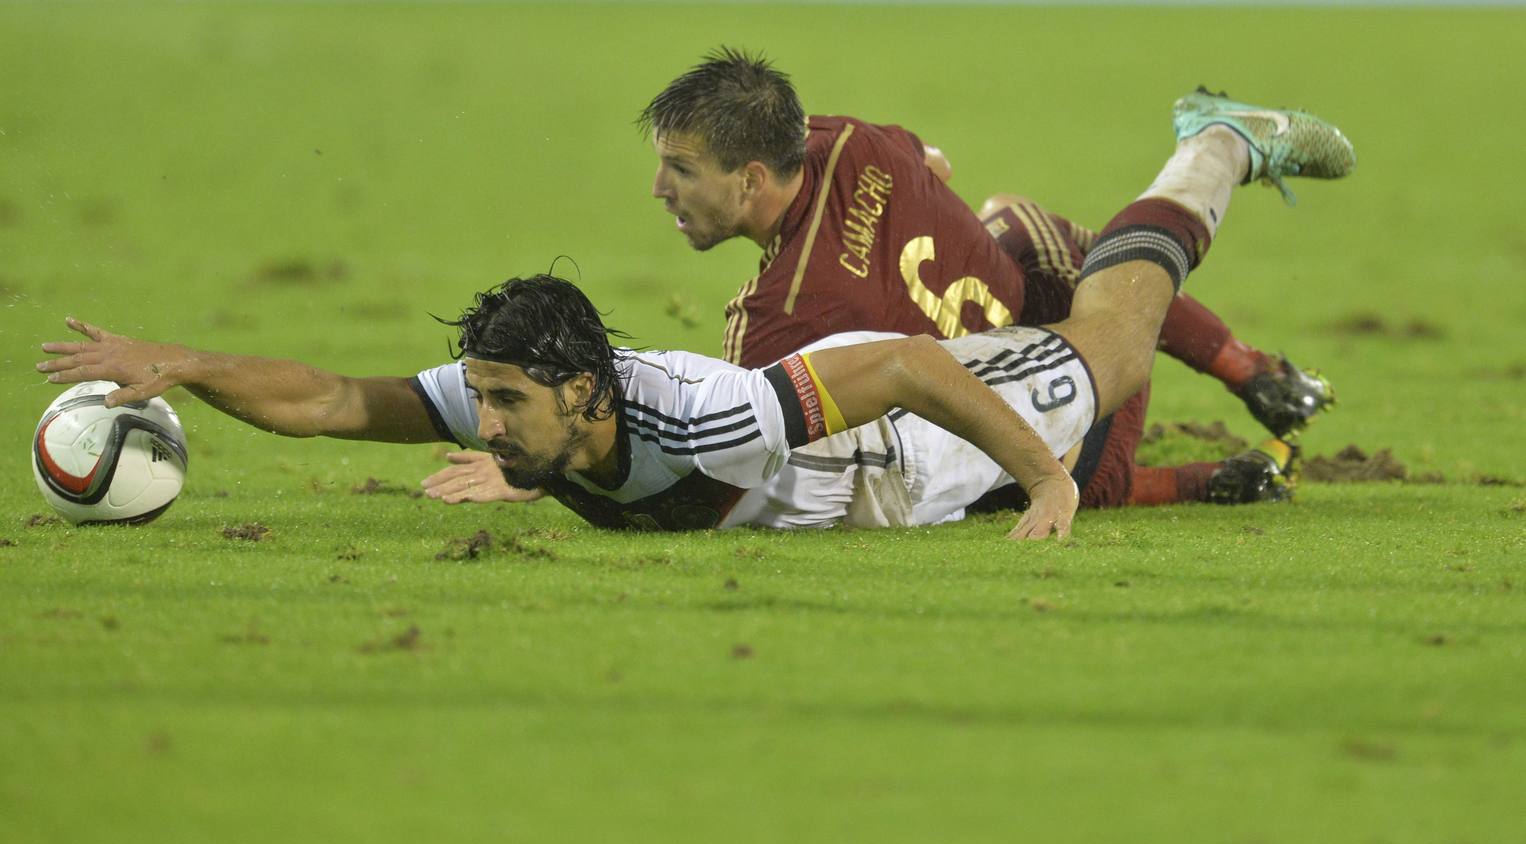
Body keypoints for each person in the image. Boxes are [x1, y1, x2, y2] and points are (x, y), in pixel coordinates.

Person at [37, 98, 1353, 539]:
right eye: (481, 398)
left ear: (591, 397)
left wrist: (1039, 476)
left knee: (1114, 343)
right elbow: (329, 401)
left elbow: (900, 365)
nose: (483, 425)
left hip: (919, 438)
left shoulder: (703, 408)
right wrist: (186, 364)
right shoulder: (528, 394)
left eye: (504, 407)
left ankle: (1214, 151)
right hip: (856, 472)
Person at [424, 53, 1343, 511]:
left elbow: (727, 452)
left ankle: (1194, 475)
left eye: (681, 168)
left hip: (1063, 415)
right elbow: (923, 157)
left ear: (750, 179)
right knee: (1022, 226)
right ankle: (1250, 373)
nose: (659, 189)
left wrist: (544, 472)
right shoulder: (840, 140)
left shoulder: (780, 322)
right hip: (1047, 310)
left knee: (985, 469)